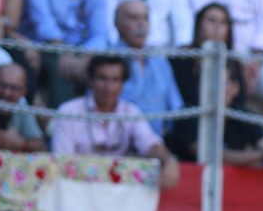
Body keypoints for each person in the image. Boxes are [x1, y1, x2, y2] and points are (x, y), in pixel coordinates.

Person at [51, 55, 182, 189]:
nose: (108, 87)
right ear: (90, 81)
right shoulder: (68, 112)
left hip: (120, 192)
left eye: (116, 80)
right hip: (76, 188)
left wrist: (168, 160)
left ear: (123, 84)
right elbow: (62, 160)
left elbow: (149, 143)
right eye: (102, 78)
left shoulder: (130, 112)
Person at [183, 0, 263, 117]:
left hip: (253, 56)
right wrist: (235, 67)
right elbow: (202, 14)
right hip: (211, 53)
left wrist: (256, 60)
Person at [167, 58, 263, 165]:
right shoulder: (188, 114)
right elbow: (209, 155)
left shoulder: (241, 115)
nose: (211, 89)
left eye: (218, 84)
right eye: (207, 82)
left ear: (234, 88)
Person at [113, 0, 185, 136]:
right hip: (120, 143)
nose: (141, 24)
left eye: (145, 18)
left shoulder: (160, 60)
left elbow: (175, 107)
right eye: (133, 18)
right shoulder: (107, 58)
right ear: (117, 24)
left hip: (159, 143)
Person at [112, 0, 192, 46]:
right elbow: (110, 21)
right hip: (124, 48)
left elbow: (182, 22)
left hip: (162, 48)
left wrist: (183, 48)